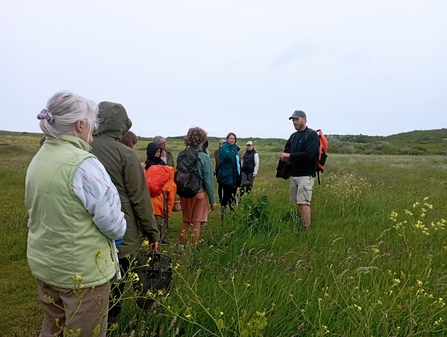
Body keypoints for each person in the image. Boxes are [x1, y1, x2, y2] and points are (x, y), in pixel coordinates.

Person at [25, 91, 127, 337]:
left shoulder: (40, 158)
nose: (92, 129)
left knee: (53, 327)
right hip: (82, 274)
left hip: (46, 266)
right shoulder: (83, 164)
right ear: (80, 125)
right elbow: (113, 225)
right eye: (91, 123)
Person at [90, 101, 160, 323]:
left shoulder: (80, 147)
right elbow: (140, 199)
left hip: (84, 229)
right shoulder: (126, 154)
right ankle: (109, 321)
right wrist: (152, 232)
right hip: (121, 230)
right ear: (121, 125)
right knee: (116, 281)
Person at [279, 110, 319, 230]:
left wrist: (289, 156)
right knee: (297, 202)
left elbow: (309, 154)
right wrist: (281, 170)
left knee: (303, 202)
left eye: (296, 119)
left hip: (306, 175)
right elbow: (287, 152)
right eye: (293, 120)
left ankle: (306, 228)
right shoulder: (293, 136)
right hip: (295, 174)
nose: (294, 122)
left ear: (304, 119)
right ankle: (301, 224)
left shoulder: (311, 135)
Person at [178, 127, 217, 247]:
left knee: (185, 220)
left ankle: (181, 247)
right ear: (202, 140)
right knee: (196, 222)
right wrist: (212, 201)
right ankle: (192, 249)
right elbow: (208, 181)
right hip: (199, 193)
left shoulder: (182, 154)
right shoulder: (204, 157)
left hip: (185, 192)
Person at [144, 142, 177, 245]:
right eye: (157, 151)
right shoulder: (148, 164)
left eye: (159, 151)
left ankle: (159, 238)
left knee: (160, 220)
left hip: (162, 194)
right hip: (154, 195)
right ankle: (155, 240)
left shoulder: (162, 164)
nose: (158, 153)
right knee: (156, 219)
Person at [217, 132, 241, 219]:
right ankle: (223, 215)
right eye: (231, 138)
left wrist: (239, 175)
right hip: (226, 176)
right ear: (227, 139)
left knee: (233, 195)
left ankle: (232, 213)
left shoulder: (232, 149)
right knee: (226, 195)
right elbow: (230, 158)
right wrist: (235, 148)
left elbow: (237, 163)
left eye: (234, 139)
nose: (232, 140)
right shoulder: (225, 148)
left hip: (234, 176)